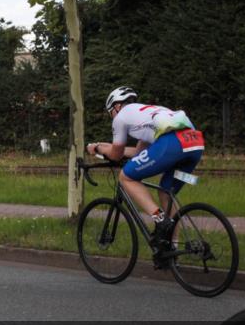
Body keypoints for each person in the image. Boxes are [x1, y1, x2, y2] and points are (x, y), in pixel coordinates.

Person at [85, 87, 205, 257]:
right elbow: (137, 153)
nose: (111, 116)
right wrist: (105, 146)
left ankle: (159, 218)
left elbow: (117, 154)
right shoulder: (148, 114)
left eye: (110, 112)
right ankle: (173, 249)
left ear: (116, 106)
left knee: (126, 177)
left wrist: (97, 148)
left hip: (171, 143)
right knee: (166, 191)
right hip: (194, 143)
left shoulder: (120, 117)